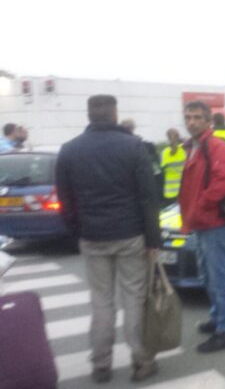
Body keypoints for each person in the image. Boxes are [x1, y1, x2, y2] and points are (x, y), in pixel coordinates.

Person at [55, 95, 160, 383]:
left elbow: (65, 200)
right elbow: (148, 197)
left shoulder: (69, 150)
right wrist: (153, 239)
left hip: (92, 236)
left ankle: (101, 364)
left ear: (89, 115)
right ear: (114, 115)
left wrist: (76, 230)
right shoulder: (133, 146)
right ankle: (142, 361)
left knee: (101, 302)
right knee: (134, 299)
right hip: (130, 235)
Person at [178, 101, 225, 353]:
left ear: (207, 121)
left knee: (220, 277)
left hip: (215, 223)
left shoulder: (214, 146)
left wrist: (201, 205)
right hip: (201, 223)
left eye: (196, 117)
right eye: (188, 117)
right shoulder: (194, 146)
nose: (191, 121)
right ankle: (217, 319)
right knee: (208, 276)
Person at [121, 118, 165, 202]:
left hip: (130, 196)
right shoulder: (145, 146)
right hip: (147, 192)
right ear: (133, 128)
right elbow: (157, 173)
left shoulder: (121, 148)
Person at [160, 128, 186, 206]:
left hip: (169, 192)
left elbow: (163, 172)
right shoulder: (185, 150)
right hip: (184, 190)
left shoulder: (164, 152)